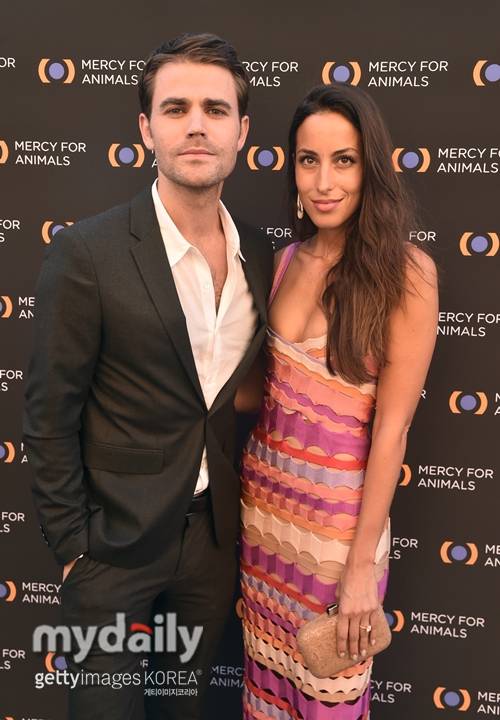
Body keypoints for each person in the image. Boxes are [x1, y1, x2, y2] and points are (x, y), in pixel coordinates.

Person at [23, 32, 273, 720]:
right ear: (146, 128)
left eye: (216, 110)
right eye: (176, 108)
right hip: (112, 550)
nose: (196, 125)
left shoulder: (258, 253)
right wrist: (74, 548)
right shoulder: (87, 252)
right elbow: (48, 414)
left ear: (242, 132)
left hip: (211, 549)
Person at [238, 83, 438, 719]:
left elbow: (392, 431)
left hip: (337, 537)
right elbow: (254, 395)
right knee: (266, 696)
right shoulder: (280, 263)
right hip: (264, 520)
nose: (324, 182)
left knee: (328, 701)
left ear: (369, 168)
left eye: (343, 160)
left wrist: (358, 571)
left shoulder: (407, 274)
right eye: (308, 160)